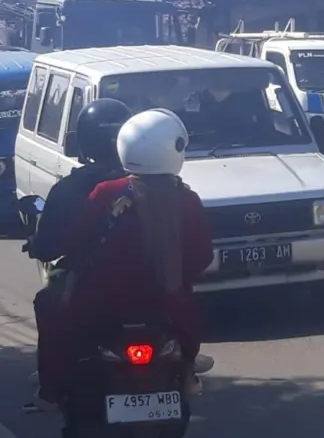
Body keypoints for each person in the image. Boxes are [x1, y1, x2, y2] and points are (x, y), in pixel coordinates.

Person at [35, 109, 214, 409]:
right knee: (188, 321)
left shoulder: (105, 192)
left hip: (100, 301)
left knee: (53, 313)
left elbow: (76, 240)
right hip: (166, 302)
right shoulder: (187, 199)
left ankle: (49, 394)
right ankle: (187, 373)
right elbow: (201, 257)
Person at [26, 99, 133, 410]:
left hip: (88, 282)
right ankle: (189, 360)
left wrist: (38, 244)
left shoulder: (72, 189)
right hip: (149, 278)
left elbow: (51, 244)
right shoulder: (157, 184)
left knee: (48, 305)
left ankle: (49, 391)